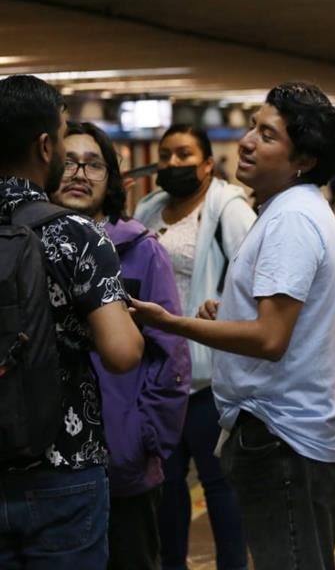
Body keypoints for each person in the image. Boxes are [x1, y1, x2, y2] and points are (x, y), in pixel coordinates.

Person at [131, 82, 335, 570]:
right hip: (290, 433)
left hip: (281, 438)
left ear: (304, 160)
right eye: (253, 126)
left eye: (267, 135)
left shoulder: (290, 220)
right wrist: (226, 315)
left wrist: (174, 323)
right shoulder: (287, 211)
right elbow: (271, 321)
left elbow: (270, 338)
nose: (247, 141)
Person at [0, 74, 143, 566]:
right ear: (45, 146)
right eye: (62, 135)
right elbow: (123, 353)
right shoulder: (75, 234)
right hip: (63, 464)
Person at [52, 122, 191, 570]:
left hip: (122, 461)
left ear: (111, 179)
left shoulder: (140, 251)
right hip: (50, 462)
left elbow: (171, 353)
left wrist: (143, 437)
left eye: (94, 164)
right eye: (69, 161)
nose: (79, 173)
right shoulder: (28, 245)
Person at [134, 125, 254, 570]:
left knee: (220, 485)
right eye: (165, 155)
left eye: (184, 154)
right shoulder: (147, 210)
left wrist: (226, 304)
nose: (172, 164)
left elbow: (256, 275)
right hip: (157, 373)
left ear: (207, 163)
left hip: (209, 376)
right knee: (163, 485)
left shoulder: (228, 210)